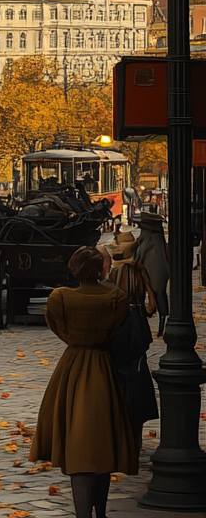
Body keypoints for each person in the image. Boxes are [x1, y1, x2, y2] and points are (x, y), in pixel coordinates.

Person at [30, 245, 137, 518]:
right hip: (103, 368)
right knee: (101, 445)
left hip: (72, 369)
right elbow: (115, 328)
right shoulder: (116, 298)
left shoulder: (60, 298)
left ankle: (82, 514)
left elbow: (58, 327)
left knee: (78, 444)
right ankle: (99, 512)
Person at [105, 232, 158, 451]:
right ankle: (135, 438)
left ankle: (119, 436)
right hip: (138, 330)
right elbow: (152, 306)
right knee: (138, 379)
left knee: (118, 379)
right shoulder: (139, 272)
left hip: (119, 329)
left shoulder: (112, 276)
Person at [135, 211, 169, 336]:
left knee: (157, 293)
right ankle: (161, 320)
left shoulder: (151, 237)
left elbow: (142, 252)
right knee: (158, 294)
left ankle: (162, 322)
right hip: (153, 269)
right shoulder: (154, 236)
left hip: (155, 270)